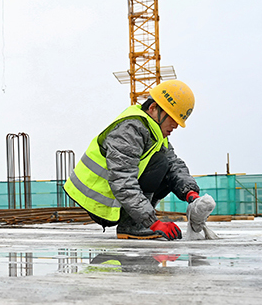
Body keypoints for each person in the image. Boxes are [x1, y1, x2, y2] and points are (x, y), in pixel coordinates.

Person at [64, 80, 201, 240]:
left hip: (114, 196)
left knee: (165, 164)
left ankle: (136, 222)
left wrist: (190, 192)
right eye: (172, 118)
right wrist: (153, 223)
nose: (175, 126)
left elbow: (174, 164)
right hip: (97, 199)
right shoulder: (130, 130)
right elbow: (122, 181)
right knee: (159, 163)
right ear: (153, 108)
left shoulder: (155, 133)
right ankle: (132, 225)